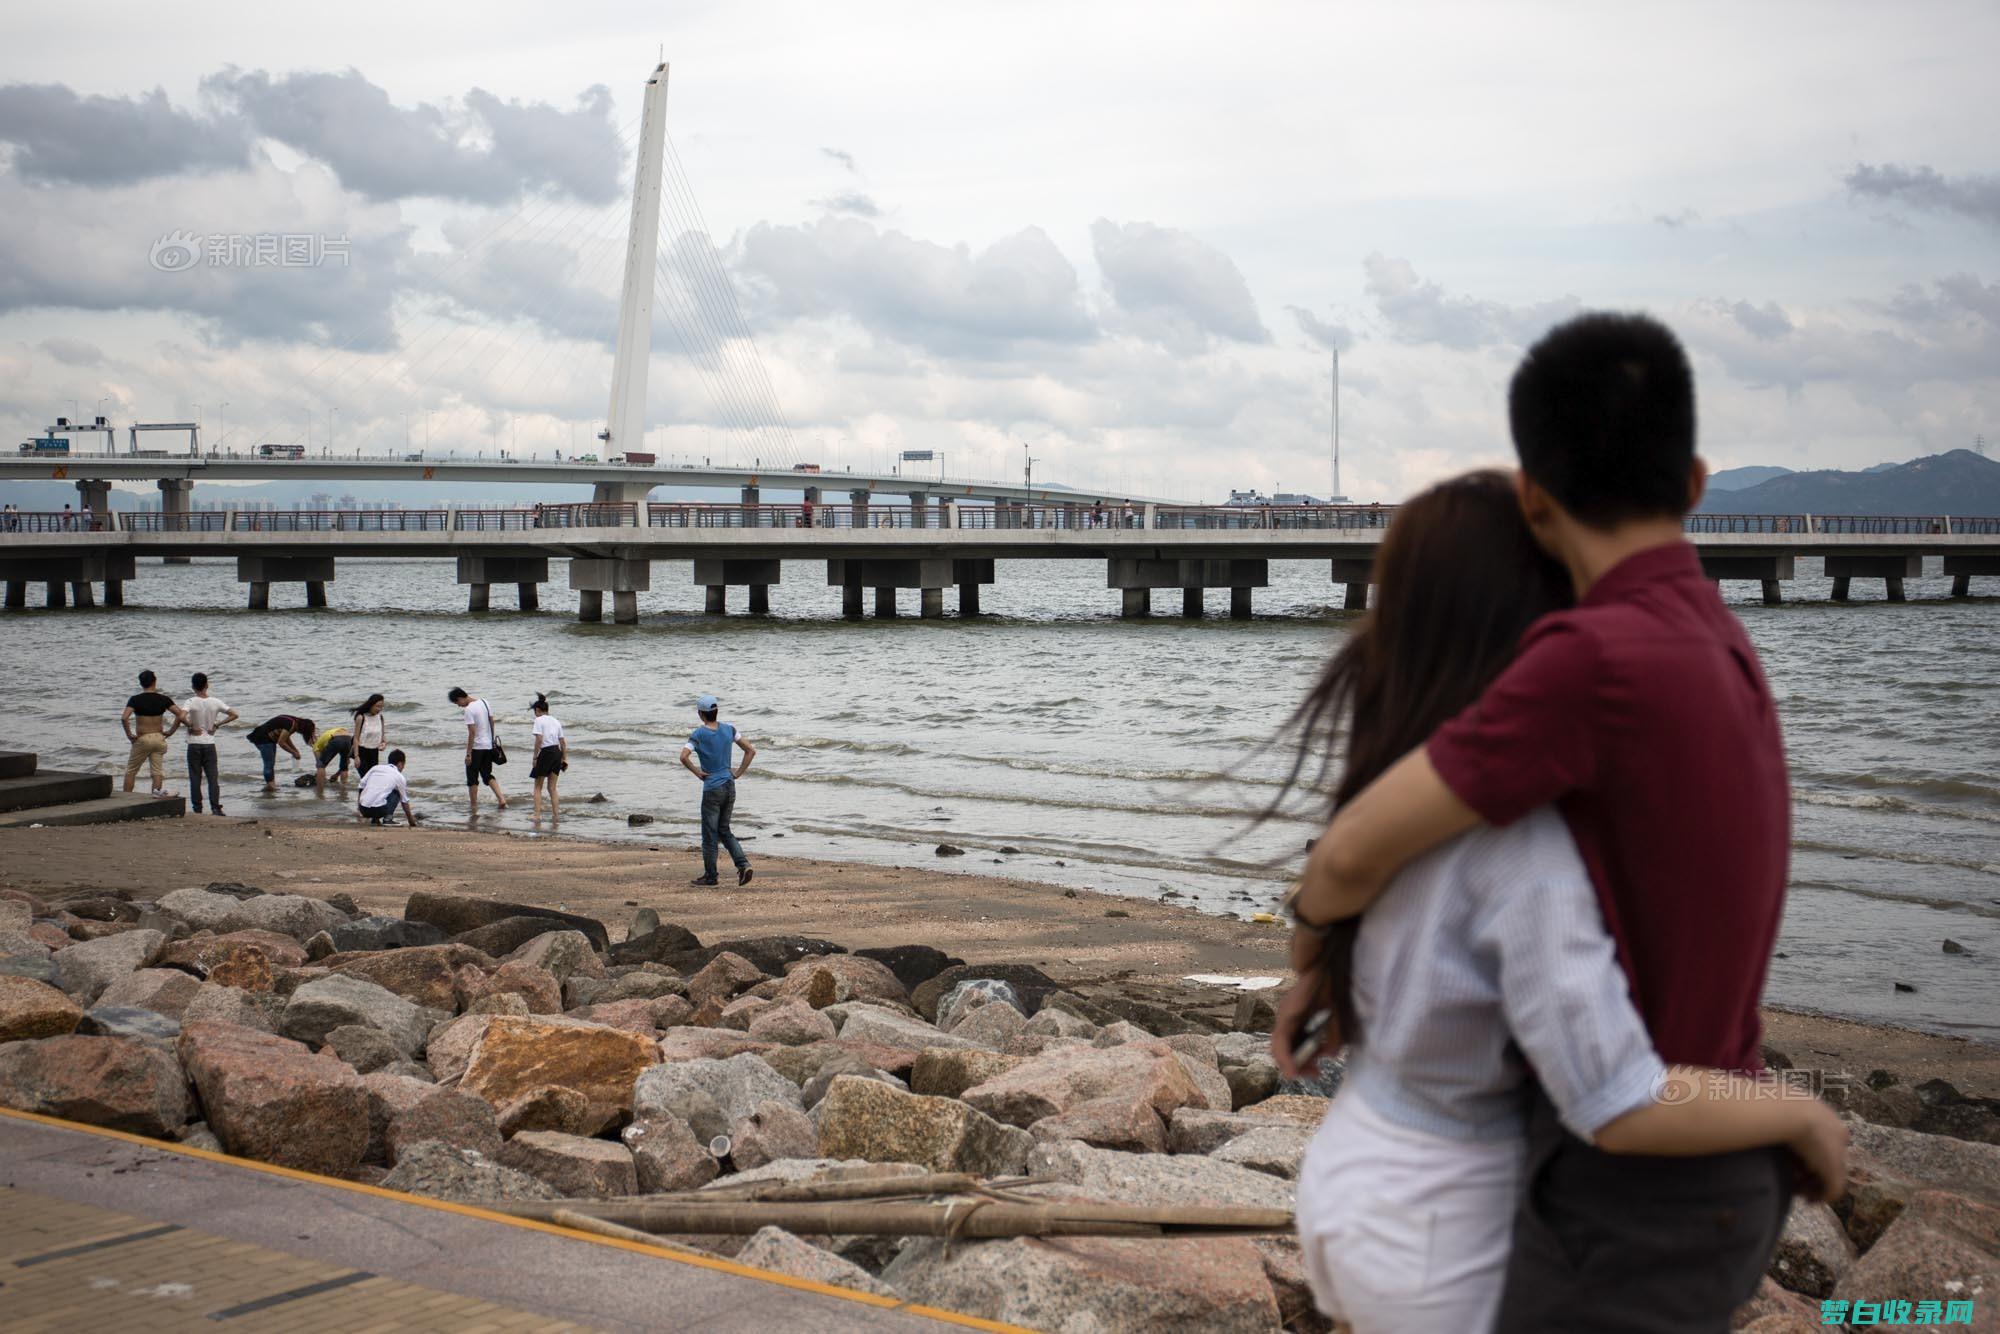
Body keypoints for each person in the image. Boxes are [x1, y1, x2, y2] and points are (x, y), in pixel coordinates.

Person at [1276, 313, 1806, 1332]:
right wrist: (1794, 1111)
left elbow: (1350, 846)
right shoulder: (1722, 641)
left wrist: (1308, 952)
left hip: (1637, 1163)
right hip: (1678, 1146)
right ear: (1696, 483)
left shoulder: (1586, 660)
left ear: (1533, 490)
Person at [679, 693, 755, 886]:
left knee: (710, 834)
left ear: (700, 714)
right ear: (716, 711)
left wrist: (697, 772)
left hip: (712, 788)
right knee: (724, 829)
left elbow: (683, 756)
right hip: (730, 785)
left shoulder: (698, 734)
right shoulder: (729, 730)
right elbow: (750, 750)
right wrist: (738, 772)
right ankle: (743, 864)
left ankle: (711, 876)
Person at [180, 672, 238, 816]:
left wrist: (191, 726)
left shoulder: (190, 701)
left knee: (195, 777)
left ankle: (197, 807)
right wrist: (217, 724)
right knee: (212, 777)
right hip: (209, 742)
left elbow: (181, 716)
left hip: (194, 743)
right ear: (207, 685)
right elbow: (234, 714)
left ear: (193, 686)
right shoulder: (216, 701)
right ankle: (215, 807)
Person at [121, 670, 185, 797]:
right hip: (159, 738)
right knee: (157, 771)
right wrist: (171, 731)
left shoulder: (135, 699)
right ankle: (155, 798)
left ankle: (126, 797)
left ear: (141, 684)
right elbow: (181, 714)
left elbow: (124, 718)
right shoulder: (163, 699)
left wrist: (129, 734)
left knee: (131, 771)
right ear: (155, 681)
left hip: (143, 738)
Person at [448, 687, 507, 813]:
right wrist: (490, 740)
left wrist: (468, 754)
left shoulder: (469, 710)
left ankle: (474, 807)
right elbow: (492, 722)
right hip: (488, 746)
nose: (458, 706)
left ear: (460, 698)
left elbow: (472, 733)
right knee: (487, 775)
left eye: (457, 703)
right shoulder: (485, 702)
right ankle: (501, 799)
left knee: (472, 778)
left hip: (477, 748)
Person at [246, 714, 315, 790]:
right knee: (269, 763)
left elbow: (286, 737)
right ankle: (270, 786)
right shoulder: (291, 724)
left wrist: (295, 750)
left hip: (264, 737)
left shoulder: (294, 721)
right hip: (263, 738)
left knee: (270, 763)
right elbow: (281, 742)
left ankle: (271, 785)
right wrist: (293, 752)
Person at [528, 692, 567, 821]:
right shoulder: (556, 721)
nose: (535, 714)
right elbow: (563, 742)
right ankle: (556, 815)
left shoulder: (538, 720)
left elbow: (539, 739)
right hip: (557, 752)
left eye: (535, 711)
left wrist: (535, 757)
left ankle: (537, 815)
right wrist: (564, 758)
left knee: (538, 786)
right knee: (552, 788)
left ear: (538, 710)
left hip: (546, 753)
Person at [356, 748, 418, 826]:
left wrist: (359, 805)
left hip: (363, 809)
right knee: (397, 792)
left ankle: (375, 820)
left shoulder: (376, 768)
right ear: (400, 764)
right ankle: (388, 819)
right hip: (378, 810)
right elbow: (404, 801)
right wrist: (411, 821)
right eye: (403, 765)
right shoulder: (399, 776)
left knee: (377, 788)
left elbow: (361, 785)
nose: (403, 768)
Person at [309, 725, 354, 793]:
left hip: (336, 739)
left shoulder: (316, 745)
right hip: (348, 738)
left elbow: (320, 766)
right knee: (344, 767)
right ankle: (343, 790)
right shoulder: (326, 735)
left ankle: (320, 791)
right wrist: (336, 775)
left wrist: (318, 775)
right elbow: (347, 762)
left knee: (320, 765)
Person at [351, 694, 387, 776]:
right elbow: (356, 738)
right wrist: (356, 757)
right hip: (361, 751)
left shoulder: (380, 717)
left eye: (381, 707)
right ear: (371, 705)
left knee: (373, 778)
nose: (379, 709)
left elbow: (383, 735)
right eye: (377, 706)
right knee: (365, 778)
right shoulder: (361, 717)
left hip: (374, 752)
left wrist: (384, 743)